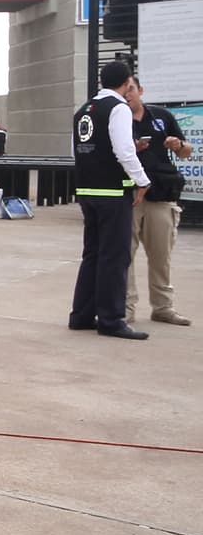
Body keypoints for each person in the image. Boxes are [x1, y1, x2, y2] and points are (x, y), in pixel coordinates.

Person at [68, 61, 151, 340]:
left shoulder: (83, 111)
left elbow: (76, 151)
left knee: (92, 254)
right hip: (113, 193)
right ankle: (112, 319)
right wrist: (142, 180)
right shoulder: (118, 108)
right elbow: (124, 151)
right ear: (127, 83)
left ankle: (81, 314)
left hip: (88, 191)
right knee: (115, 257)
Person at [126, 76, 192, 326]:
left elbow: (187, 151)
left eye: (131, 89)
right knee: (125, 255)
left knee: (161, 254)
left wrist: (178, 145)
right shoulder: (117, 120)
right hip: (130, 195)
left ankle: (163, 307)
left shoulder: (160, 116)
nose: (128, 95)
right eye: (124, 90)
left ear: (140, 90)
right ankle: (125, 308)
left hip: (161, 195)